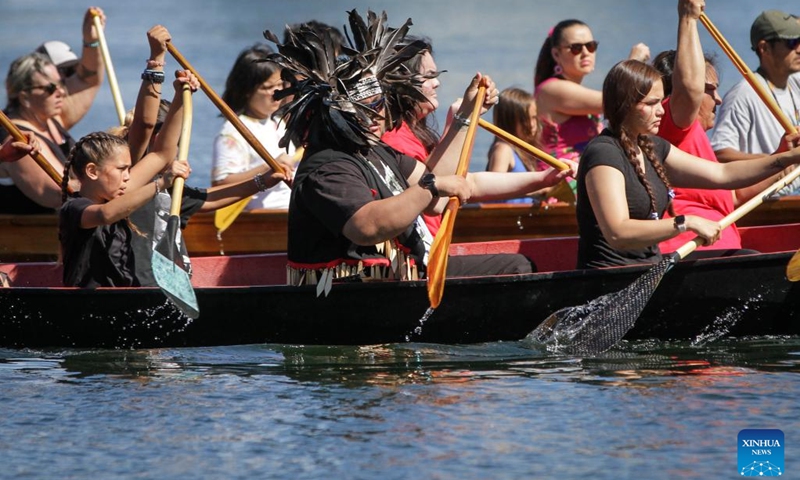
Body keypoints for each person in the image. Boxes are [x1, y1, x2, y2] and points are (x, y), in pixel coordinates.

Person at [265, 10, 576, 286]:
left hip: (404, 279)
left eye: (379, 106)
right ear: (335, 113)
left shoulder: (375, 151)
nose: (376, 117)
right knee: (517, 268)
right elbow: (367, 225)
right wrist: (431, 186)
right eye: (362, 110)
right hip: (358, 297)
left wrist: (542, 179)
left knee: (517, 266)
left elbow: (449, 190)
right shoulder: (327, 166)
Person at [575, 59, 800, 269]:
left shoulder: (653, 147)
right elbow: (618, 232)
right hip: (612, 278)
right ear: (625, 105)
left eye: (660, 101)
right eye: (652, 103)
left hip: (648, 269)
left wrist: (786, 158)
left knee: (746, 260)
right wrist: (686, 222)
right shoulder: (603, 153)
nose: (661, 110)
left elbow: (723, 174)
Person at [58, 72, 195, 288]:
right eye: (122, 169)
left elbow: (162, 154)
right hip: (86, 306)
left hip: (123, 299)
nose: (128, 176)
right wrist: (159, 184)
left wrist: (180, 96)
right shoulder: (74, 208)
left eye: (129, 169)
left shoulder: (120, 193)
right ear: (93, 171)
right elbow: (106, 214)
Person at [653, 0, 744, 253]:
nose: (719, 99)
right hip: (687, 252)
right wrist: (688, 19)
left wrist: (784, 160)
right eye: (711, 90)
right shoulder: (670, 124)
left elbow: (734, 197)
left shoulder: (699, 141)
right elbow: (689, 92)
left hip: (719, 250)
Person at [533, 19, 650, 162]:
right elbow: (615, 101)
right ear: (556, 54)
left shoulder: (573, 90)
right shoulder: (551, 89)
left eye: (590, 46)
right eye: (576, 48)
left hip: (583, 172)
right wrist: (633, 63)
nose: (585, 53)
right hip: (562, 178)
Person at [711, 9, 800, 195]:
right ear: (764, 48)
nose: (799, 48)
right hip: (769, 202)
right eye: (792, 42)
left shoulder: (795, 82)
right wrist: (776, 160)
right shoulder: (744, 94)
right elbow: (720, 154)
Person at [211, 44, 296, 210]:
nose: (277, 93)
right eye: (267, 87)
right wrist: (268, 166)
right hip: (260, 218)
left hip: (289, 211)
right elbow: (220, 184)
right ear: (247, 90)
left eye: (279, 85)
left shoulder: (278, 123)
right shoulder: (233, 132)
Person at [381, 35, 445, 234]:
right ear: (403, 84)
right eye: (428, 76)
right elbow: (437, 200)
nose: (437, 83)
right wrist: (460, 122)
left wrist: (541, 179)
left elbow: (467, 181)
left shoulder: (414, 132)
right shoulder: (397, 140)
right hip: (421, 256)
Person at [0, 52, 77, 213]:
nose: (61, 92)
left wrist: (91, 42)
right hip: (34, 233)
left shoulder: (51, 120)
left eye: (61, 83)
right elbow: (56, 193)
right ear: (24, 97)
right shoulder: (17, 138)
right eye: (50, 88)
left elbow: (90, 80)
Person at [35, 7, 106, 133]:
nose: (62, 89)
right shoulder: (13, 129)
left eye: (74, 72)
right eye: (66, 72)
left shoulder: (58, 115)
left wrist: (92, 41)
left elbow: (89, 79)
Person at [485, 87, 547, 204]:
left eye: (534, 117)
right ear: (509, 121)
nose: (532, 124)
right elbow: (492, 189)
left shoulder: (522, 151)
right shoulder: (503, 150)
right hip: (505, 219)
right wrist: (536, 189)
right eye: (525, 120)